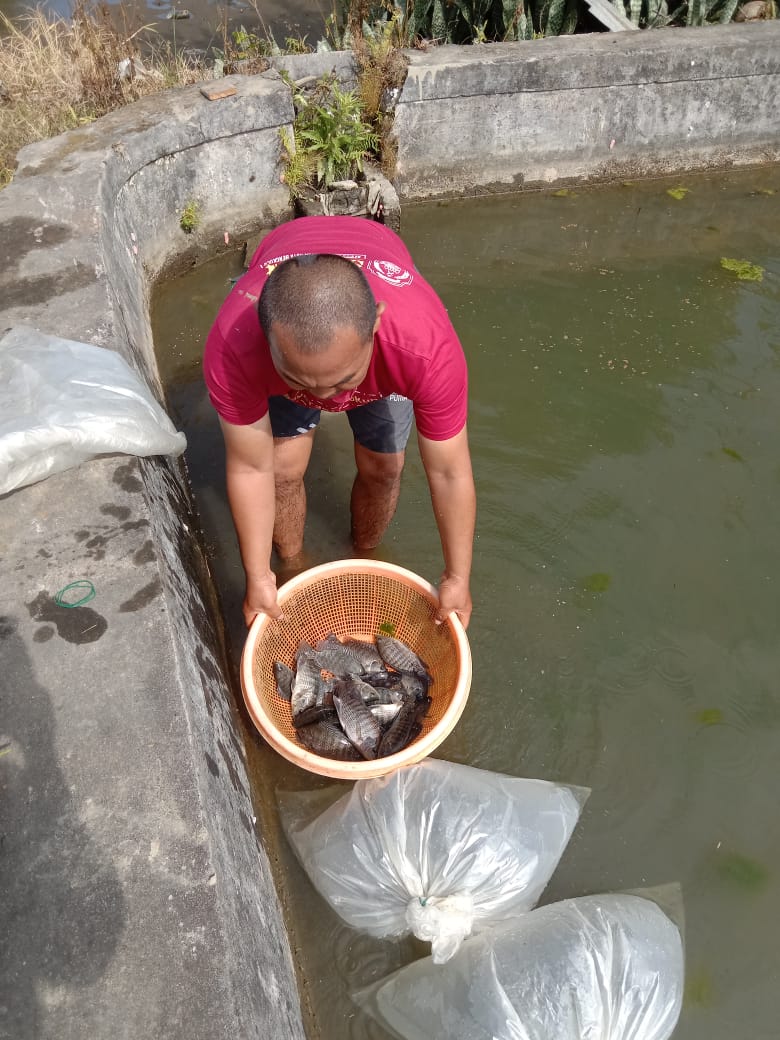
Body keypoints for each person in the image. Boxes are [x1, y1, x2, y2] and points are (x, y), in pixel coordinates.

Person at [203, 215, 475, 629]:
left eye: (343, 381)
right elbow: (250, 466)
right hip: (285, 274)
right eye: (302, 382)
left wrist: (457, 577)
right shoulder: (233, 348)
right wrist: (258, 577)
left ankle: (364, 557)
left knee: (384, 468)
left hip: (384, 302)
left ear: (377, 323)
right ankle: (293, 566)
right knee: (282, 471)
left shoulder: (424, 348)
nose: (326, 398)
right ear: (264, 332)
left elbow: (450, 471)